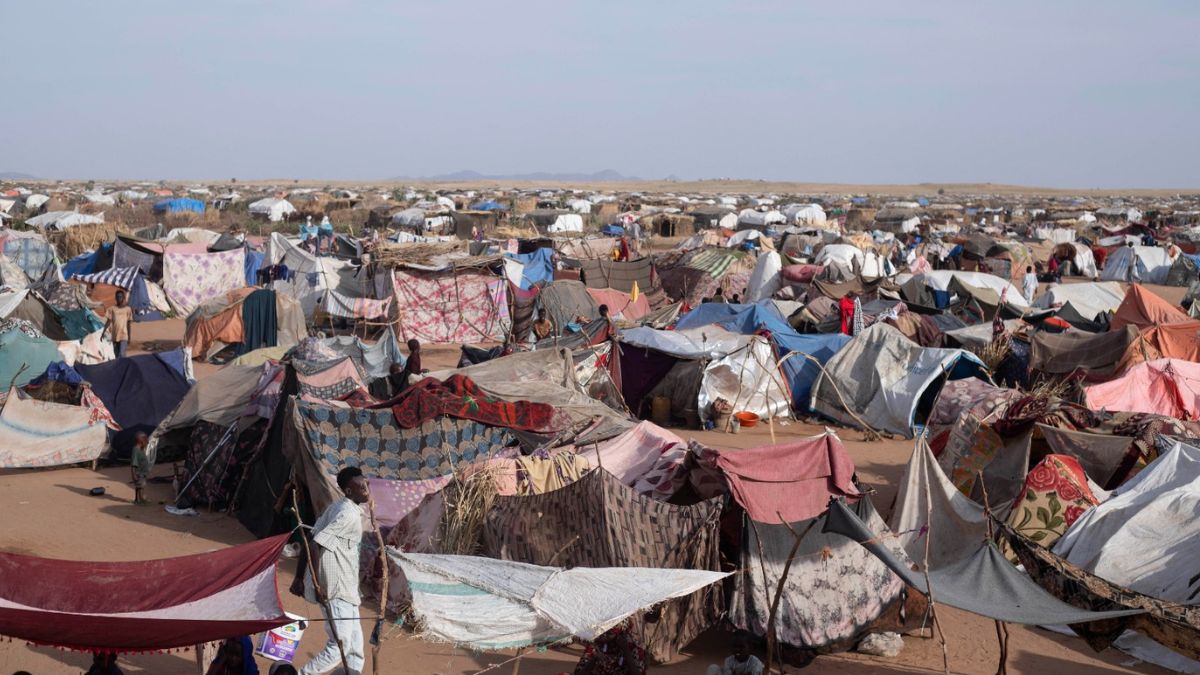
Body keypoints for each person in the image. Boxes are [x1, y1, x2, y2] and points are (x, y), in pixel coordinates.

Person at [298, 467, 369, 675]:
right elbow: (315, 544)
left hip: (347, 588)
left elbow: (310, 538)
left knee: (355, 653)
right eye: (361, 487)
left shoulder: (338, 506)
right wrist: (318, 584)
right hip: (336, 588)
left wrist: (299, 578)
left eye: (366, 484)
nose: (366, 489)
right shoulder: (347, 515)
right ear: (348, 491)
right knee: (340, 647)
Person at [572, 619, 646, 675]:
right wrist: (594, 658)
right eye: (603, 631)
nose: (604, 635)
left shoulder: (633, 646)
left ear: (621, 630)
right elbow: (579, 673)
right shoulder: (597, 644)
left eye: (610, 632)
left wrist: (626, 651)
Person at [104, 290, 134, 358]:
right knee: (116, 355)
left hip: (124, 335)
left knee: (122, 354)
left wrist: (129, 337)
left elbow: (128, 323)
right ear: (115, 298)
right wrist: (103, 332)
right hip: (115, 336)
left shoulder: (128, 309)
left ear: (123, 298)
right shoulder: (112, 309)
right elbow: (108, 321)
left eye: (120, 297)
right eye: (117, 297)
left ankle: (124, 367)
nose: (119, 298)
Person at [130, 431, 151, 505]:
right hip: (139, 473)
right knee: (141, 486)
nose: (147, 443)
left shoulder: (140, 450)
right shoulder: (136, 450)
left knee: (138, 486)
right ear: (141, 441)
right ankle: (141, 499)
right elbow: (133, 463)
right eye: (146, 441)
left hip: (142, 472)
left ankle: (137, 499)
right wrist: (134, 474)